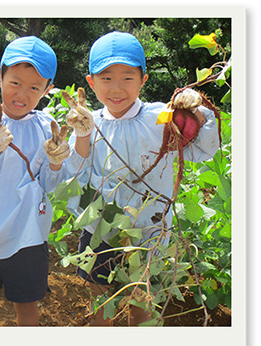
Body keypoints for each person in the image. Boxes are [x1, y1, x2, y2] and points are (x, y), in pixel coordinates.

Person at [64, 31, 220, 326]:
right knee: (100, 301)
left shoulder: (161, 117)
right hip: (101, 229)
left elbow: (203, 150)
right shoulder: (89, 122)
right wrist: (81, 135)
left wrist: (197, 111)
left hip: (150, 231)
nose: (116, 88)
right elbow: (77, 173)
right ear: (91, 82)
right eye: (106, 78)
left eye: (127, 78)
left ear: (143, 80)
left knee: (142, 303)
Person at [0, 36, 89, 326]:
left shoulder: (46, 127)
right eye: (15, 82)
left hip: (28, 234)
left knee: (28, 307)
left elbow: (50, 185)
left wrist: (56, 161)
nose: (22, 94)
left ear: (47, 89)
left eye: (34, 87)